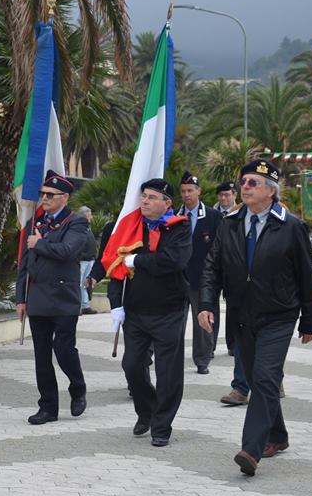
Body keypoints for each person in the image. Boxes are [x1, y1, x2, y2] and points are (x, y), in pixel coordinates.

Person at [198, 160, 312, 476]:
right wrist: (206, 303)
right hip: (241, 313)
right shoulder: (230, 223)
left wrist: (310, 320)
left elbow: (307, 275)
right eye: (244, 181)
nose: (245, 187)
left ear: (270, 190)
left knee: (265, 378)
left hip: (279, 314)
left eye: (253, 182)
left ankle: (251, 449)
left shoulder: (290, 226)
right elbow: (213, 267)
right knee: (256, 378)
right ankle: (277, 436)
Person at [109, 179, 191, 446]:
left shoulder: (179, 227)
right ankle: (147, 411)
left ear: (166, 203)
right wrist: (116, 305)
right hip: (136, 311)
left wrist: (139, 260)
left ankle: (162, 425)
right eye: (143, 196)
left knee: (168, 372)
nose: (144, 201)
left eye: (152, 197)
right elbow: (117, 266)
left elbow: (173, 261)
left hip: (168, 310)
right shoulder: (132, 228)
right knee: (132, 366)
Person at [16, 170, 89, 425]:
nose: (44, 198)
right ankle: (48, 407)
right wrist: (20, 299)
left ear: (64, 198)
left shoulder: (76, 223)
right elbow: (23, 266)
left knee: (64, 350)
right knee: (42, 356)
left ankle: (78, 386)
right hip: (37, 299)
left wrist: (40, 245)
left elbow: (68, 251)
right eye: (43, 194)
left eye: (50, 195)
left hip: (63, 298)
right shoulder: (34, 225)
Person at [178, 171, 221, 374]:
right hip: (177, 278)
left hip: (202, 277)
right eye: (183, 191)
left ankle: (202, 359)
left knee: (202, 318)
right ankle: (172, 355)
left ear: (199, 191)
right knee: (175, 320)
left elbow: (219, 247)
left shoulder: (213, 216)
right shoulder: (174, 216)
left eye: (190, 190)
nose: (187, 195)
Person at [214, 182, 239, 359]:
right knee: (210, 306)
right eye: (221, 195)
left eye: (227, 195)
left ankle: (233, 344)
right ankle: (209, 346)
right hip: (214, 266)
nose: (224, 198)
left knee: (233, 307)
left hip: (233, 267)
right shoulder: (211, 214)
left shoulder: (240, 213)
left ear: (234, 195)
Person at [77, 206, 97, 315]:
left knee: (85, 283)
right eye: (89, 214)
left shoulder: (88, 226)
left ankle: (85, 305)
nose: (91, 216)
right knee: (79, 283)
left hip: (89, 259)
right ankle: (78, 306)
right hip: (82, 260)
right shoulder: (80, 226)